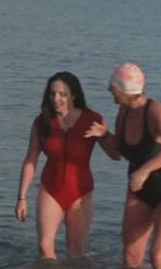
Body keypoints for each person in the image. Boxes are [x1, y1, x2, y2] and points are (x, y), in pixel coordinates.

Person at [85, 62, 161, 269]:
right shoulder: (122, 112)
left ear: (124, 90)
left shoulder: (156, 110)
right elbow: (117, 154)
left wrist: (144, 171)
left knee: (158, 256)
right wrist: (103, 135)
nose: (109, 91)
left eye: (112, 87)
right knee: (130, 255)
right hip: (139, 191)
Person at [15, 71, 113, 259]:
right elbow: (30, 160)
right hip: (51, 190)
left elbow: (115, 155)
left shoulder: (92, 119)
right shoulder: (42, 122)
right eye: (52, 94)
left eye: (62, 94)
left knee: (76, 252)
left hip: (81, 192)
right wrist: (22, 198)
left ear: (73, 95)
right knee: (45, 246)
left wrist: (105, 135)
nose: (56, 98)